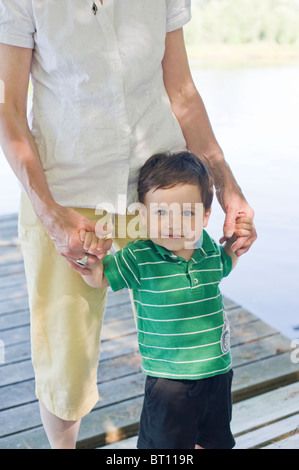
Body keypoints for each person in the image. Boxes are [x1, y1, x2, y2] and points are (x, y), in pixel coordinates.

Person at [0, 1, 256, 449]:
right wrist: (48, 211)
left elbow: (182, 92)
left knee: (189, 333)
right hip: (67, 198)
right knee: (66, 363)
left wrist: (226, 182)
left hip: (160, 191)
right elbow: (8, 108)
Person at [80, 151, 254, 449]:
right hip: (170, 382)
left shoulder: (209, 248)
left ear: (205, 216)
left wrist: (236, 246)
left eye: (186, 213)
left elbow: (224, 266)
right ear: (143, 217)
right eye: (161, 213)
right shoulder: (139, 256)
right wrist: (90, 262)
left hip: (217, 374)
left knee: (214, 442)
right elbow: (100, 278)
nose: (173, 223)